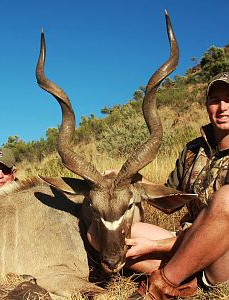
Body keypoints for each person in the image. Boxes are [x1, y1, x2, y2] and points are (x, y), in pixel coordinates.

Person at [87, 72, 229, 298]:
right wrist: (127, 178)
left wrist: (157, 246)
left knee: (227, 199)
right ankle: (188, 279)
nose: (222, 107)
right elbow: (170, 202)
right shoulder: (193, 150)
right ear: (207, 105)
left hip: (224, 252)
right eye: (215, 100)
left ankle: (162, 286)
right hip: (187, 241)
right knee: (97, 232)